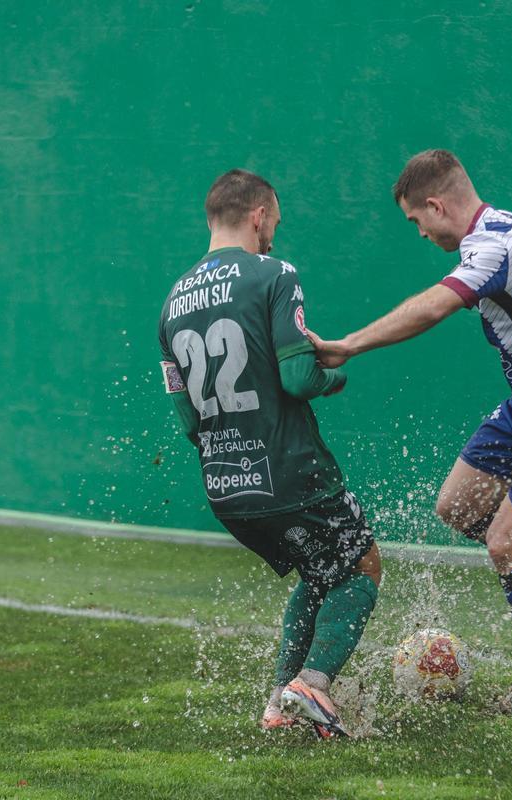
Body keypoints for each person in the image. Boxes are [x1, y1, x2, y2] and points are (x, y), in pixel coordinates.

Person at [308, 149, 512, 714]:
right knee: (457, 506)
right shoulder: (505, 227)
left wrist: (349, 344)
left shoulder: (493, 246)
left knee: (506, 542)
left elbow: (433, 308)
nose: (420, 233)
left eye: (416, 221)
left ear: (435, 204)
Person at [157, 169, 380, 738]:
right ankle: (314, 685)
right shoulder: (275, 275)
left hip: (226, 488)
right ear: (257, 214)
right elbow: (299, 378)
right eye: (274, 220)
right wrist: (337, 376)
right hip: (290, 472)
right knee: (360, 565)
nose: (275, 233)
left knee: (317, 569)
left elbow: (187, 417)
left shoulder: (171, 305)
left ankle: (280, 704)